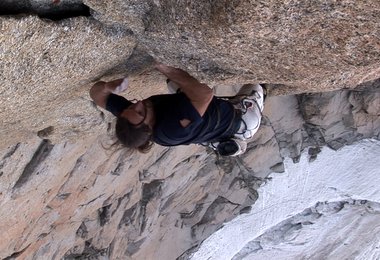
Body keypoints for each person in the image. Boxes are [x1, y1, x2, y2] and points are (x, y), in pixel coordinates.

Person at [89, 63, 265, 156]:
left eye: (130, 108)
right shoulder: (171, 130)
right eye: (140, 112)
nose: (137, 104)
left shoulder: (131, 117)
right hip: (241, 120)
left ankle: (217, 140)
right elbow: (205, 94)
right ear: (149, 127)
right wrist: (164, 67)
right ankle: (238, 139)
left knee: (173, 83)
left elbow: (96, 94)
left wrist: (107, 87)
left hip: (204, 115)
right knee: (259, 80)